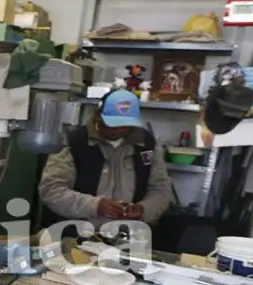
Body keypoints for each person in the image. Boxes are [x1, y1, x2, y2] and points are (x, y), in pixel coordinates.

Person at [39, 89, 173, 234]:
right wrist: (95, 206)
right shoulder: (75, 142)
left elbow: (161, 190)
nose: (118, 130)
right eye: (113, 124)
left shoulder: (147, 145)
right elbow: (51, 190)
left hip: (130, 237)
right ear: (98, 116)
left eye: (125, 125)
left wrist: (144, 209)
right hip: (77, 234)